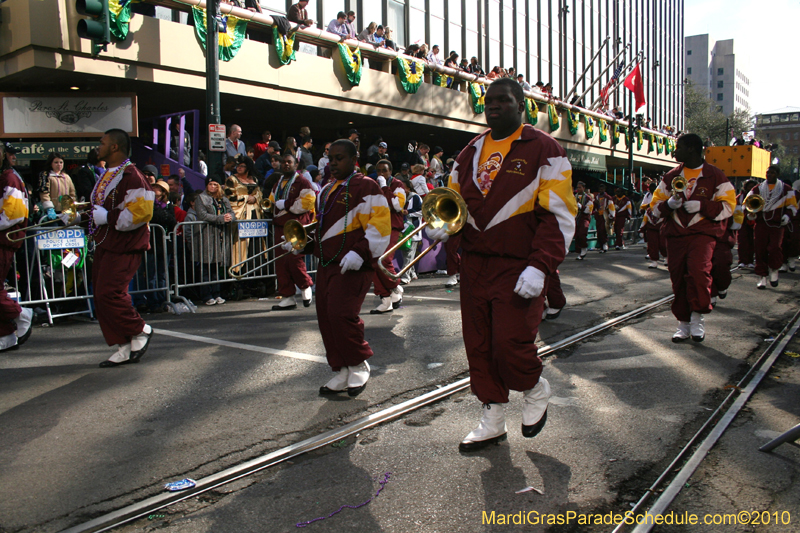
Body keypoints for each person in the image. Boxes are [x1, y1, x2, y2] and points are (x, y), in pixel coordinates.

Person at [433, 77, 576, 452]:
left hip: (518, 266)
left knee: (510, 343)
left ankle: (533, 387)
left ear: (521, 105)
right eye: (489, 100)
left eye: (503, 100)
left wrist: (541, 266)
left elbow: (558, 216)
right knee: (478, 344)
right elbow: (452, 202)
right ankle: (493, 417)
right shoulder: (468, 151)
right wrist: (442, 229)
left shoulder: (546, 149)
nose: (493, 105)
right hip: (475, 264)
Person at [305, 139, 390, 398]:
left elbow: (381, 224)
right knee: (326, 317)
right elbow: (325, 230)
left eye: (339, 158)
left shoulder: (367, 185)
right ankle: (341, 370)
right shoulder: (326, 189)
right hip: (329, 263)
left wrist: (360, 251)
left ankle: (358, 362)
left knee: (342, 314)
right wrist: (303, 245)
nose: (333, 162)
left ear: (354, 160)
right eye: (330, 158)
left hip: (354, 264)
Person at [649, 133, 735, 342]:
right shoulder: (670, 176)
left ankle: (697, 320)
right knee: (678, 278)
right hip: (676, 235)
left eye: (678, 147)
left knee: (698, 273)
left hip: (702, 235)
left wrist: (703, 205)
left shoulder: (715, 175)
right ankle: (683, 324)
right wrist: (668, 205)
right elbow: (654, 209)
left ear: (691, 149)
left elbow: (728, 207)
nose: (674, 151)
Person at [90, 129, 156, 367]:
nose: (99, 146)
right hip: (107, 242)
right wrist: (81, 217)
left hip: (125, 245)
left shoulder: (132, 175)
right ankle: (123, 344)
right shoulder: (108, 174)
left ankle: (140, 330)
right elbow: (101, 208)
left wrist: (107, 217)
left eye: (102, 143)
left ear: (114, 147)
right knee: (101, 294)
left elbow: (142, 213)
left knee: (110, 293)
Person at [269, 154, 316, 310]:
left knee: (294, 259)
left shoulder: (302, 182)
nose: (286, 164)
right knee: (281, 262)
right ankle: (288, 296)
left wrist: (287, 204)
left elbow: (309, 202)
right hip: (279, 226)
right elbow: (271, 201)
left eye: (289, 162)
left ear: (296, 164)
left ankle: (305, 286)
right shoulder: (278, 183)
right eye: (283, 162)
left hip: (295, 225)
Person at [0, 143, 33, 352]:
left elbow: (13, 215)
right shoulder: (7, 177)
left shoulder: (9, 178)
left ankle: (20, 313)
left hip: (4, 239)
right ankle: (6, 335)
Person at [745, 165, 798, 289]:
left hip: (777, 225)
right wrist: (750, 214)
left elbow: (792, 206)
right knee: (760, 250)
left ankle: (774, 270)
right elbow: (747, 203)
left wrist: (787, 216)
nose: (769, 175)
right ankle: (762, 277)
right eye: (768, 173)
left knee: (775, 248)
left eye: (772, 173)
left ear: (777, 174)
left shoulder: (786, 189)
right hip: (761, 224)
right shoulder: (757, 189)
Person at [370, 159, 407, 314]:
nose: (381, 174)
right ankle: (386, 299)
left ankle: (395, 286)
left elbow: (397, 205)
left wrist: (385, 187)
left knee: (384, 259)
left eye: (384, 170)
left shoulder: (398, 185)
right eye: (378, 170)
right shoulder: (373, 184)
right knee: (373, 262)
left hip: (391, 226)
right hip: (376, 226)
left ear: (390, 171)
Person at [192, 179, 235, 305]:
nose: (212, 187)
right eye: (210, 184)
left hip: (221, 236)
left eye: (215, 184)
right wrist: (220, 218)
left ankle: (217, 294)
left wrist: (230, 217)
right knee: (206, 266)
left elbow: (231, 211)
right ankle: (206, 295)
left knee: (217, 267)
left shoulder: (223, 199)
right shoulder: (201, 198)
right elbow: (202, 215)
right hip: (206, 235)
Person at [38, 152, 77, 218]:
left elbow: (72, 193)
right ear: (51, 163)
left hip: (66, 211)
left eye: (61, 162)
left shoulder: (67, 177)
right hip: (53, 210)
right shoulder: (46, 175)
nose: (59, 164)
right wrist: (49, 208)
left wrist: (72, 205)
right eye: (56, 162)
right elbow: (44, 193)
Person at [640, 182, 666, 268]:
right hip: (651, 226)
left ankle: (666, 258)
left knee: (663, 243)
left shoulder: (662, 194)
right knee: (652, 244)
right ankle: (654, 260)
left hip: (662, 225)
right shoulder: (647, 197)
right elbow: (643, 211)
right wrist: (641, 229)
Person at [736, 179, 757, 269]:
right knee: (742, 242)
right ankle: (742, 261)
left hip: (754, 221)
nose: (750, 188)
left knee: (752, 242)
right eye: (749, 186)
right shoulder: (740, 197)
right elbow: (736, 209)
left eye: (753, 186)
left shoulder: (757, 197)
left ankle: (750, 261)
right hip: (743, 222)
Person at [573, 182, 594, 260]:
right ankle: (579, 251)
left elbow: (588, 210)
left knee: (582, 233)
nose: (578, 189)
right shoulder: (574, 196)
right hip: (576, 218)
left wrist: (580, 206)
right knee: (577, 235)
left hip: (584, 218)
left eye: (580, 187)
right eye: (577, 187)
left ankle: (584, 248)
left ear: (583, 188)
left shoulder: (588, 198)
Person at [593, 183, 615, 253]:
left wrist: (611, 215)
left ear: (604, 189)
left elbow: (611, 207)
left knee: (603, 230)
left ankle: (605, 244)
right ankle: (601, 246)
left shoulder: (608, 197)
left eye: (602, 189)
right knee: (599, 231)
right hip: (598, 216)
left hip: (605, 216)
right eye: (599, 189)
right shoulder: (597, 197)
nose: (600, 190)